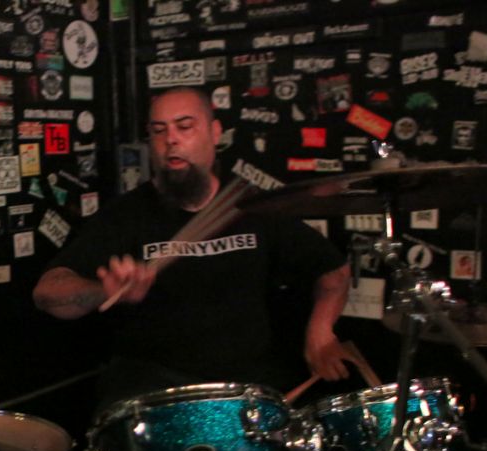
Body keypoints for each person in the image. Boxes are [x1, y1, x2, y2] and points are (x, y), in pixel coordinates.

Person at [33, 87, 351, 410]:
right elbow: (47, 294)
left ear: (215, 133)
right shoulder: (125, 216)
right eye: (159, 130)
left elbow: (334, 272)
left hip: (245, 393)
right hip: (155, 398)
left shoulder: (252, 207)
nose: (171, 139)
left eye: (184, 127)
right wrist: (103, 290)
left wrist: (320, 332)